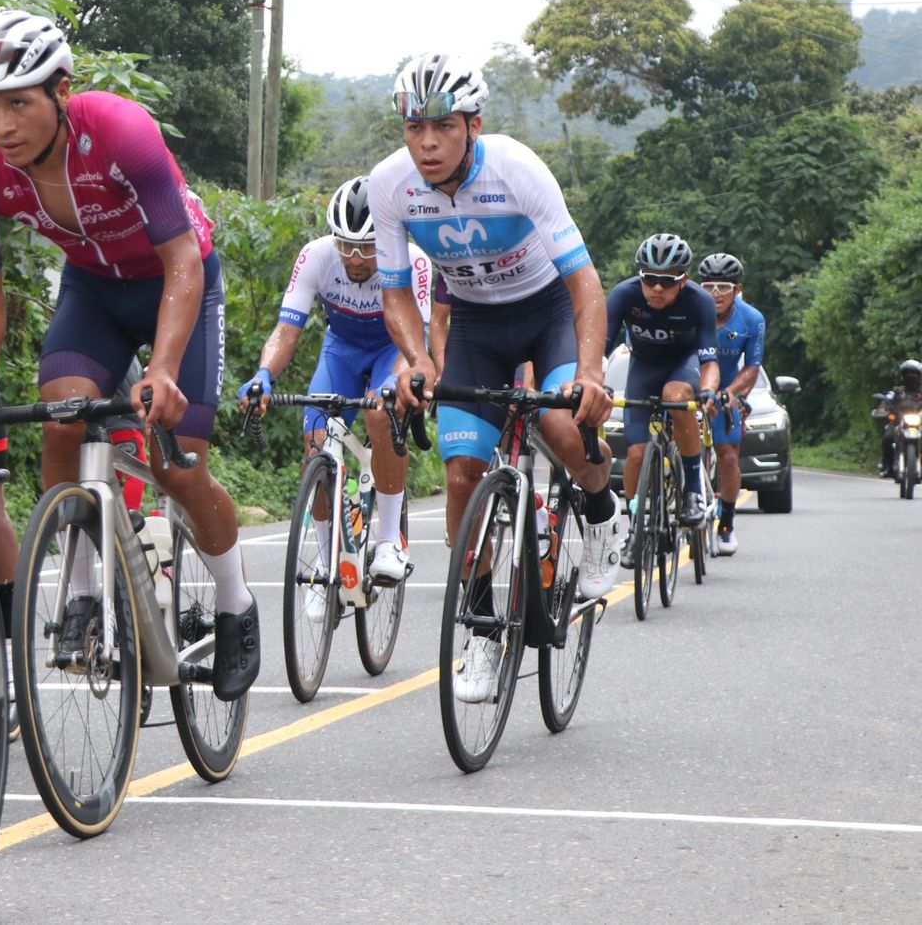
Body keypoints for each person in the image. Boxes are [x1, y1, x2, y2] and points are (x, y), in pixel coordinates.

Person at [0, 10, 260, 703]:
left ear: (61, 92)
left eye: (19, 103)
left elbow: (183, 260)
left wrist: (164, 370)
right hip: (94, 291)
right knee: (62, 419)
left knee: (178, 468)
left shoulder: (121, 132)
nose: (2, 125)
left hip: (178, 283)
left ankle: (237, 601)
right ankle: (82, 595)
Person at [368, 52, 618, 705]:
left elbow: (585, 283)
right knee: (460, 475)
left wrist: (590, 373)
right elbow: (395, 292)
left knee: (566, 430)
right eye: (413, 127)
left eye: (442, 126)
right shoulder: (391, 186)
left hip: (546, 314)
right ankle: (481, 631)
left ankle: (599, 509)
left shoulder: (516, 169)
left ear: (472, 124)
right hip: (476, 326)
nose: (426, 142)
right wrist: (419, 360)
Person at [238, 175, 431, 591]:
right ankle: (326, 570)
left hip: (391, 349)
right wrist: (263, 375)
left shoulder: (412, 261)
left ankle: (388, 540)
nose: (356, 258)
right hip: (341, 348)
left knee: (381, 416)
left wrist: (400, 382)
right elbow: (287, 330)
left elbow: (418, 343)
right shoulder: (316, 257)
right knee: (315, 444)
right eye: (345, 245)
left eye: (366, 248)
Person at [606, 234, 721, 557]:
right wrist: (595, 382)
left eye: (667, 281)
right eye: (650, 279)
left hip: (681, 367)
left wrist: (709, 389)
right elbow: (599, 351)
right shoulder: (623, 295)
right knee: (637, 455)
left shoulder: (700, 302)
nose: (657, 288)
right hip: (642, 368)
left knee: (675, 395)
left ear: (683, 280)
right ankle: (636, 528)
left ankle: (693, 493)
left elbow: (710, 361)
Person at [698, 252, 763, 554]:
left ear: (737, 290)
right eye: (708, 286)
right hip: (692, 386)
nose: (715, 294)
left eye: (723, 287)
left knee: (727, 455)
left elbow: (752, 367)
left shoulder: (751, 319)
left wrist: (732, 393)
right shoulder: (692, 312)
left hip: (727, 388)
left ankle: (726, 524)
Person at [876, 359, 922, 479]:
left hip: (919, 422)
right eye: (907, 373)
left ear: (918, 374)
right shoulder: (897, 391)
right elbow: (886, 400)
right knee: (887, 437)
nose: (910, 376)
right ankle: (888, 466)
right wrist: (883, 408)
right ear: (903, 375)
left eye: (913, 373)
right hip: (899, 421)